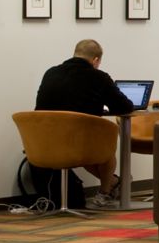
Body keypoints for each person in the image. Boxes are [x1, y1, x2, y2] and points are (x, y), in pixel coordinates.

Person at [34, 39, 135, 207]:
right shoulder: (98, 77)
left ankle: (113, 182)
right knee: (104, 150)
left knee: (89, 149)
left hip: (45, 143)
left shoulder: (50, 73)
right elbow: (124, 106)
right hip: (79, 144)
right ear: (96, 60)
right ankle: (105, 191)